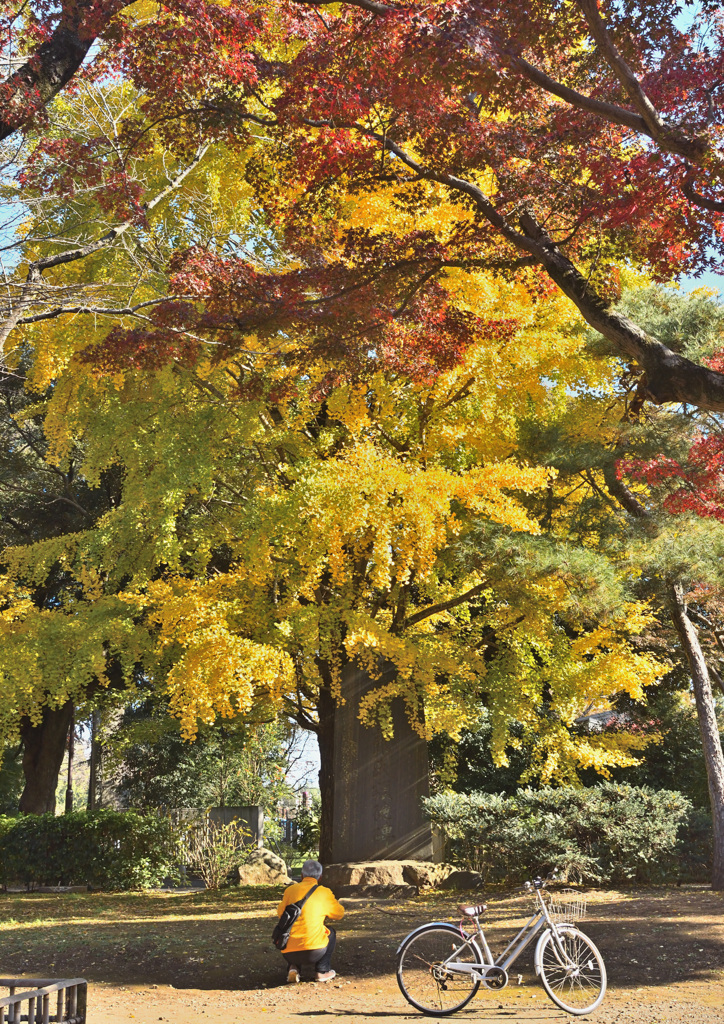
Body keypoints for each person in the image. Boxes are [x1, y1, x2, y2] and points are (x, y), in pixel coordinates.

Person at [276, 859, 345, 983]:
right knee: (331, 932)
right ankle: (322, 971)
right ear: (320, 877)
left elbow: (280, 913)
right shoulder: (324, 892)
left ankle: (293, 967)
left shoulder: (290, 891)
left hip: (288, 951)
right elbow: (339, 914)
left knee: (291, 928)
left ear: (302, 875)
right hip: (315, 951)